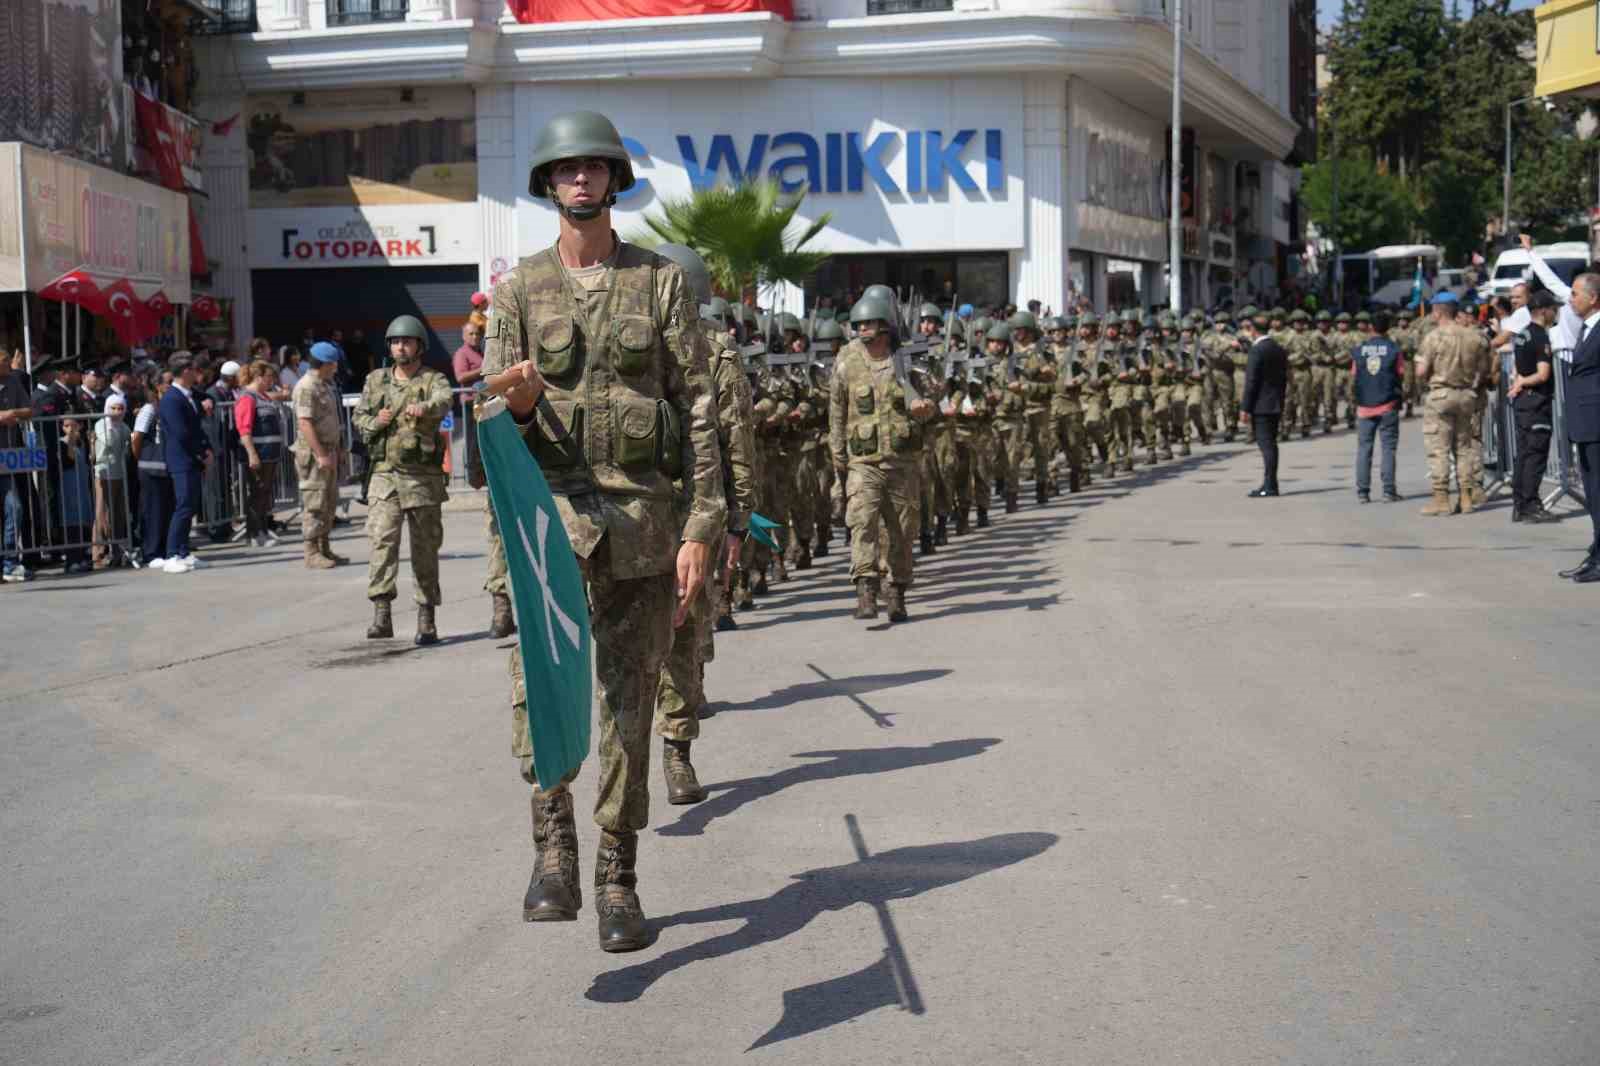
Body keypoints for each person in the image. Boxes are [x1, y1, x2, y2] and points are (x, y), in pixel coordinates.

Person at [481, 109, 725, 952]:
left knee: (627, 712)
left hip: (642, 531)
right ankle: (555, 853)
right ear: (548, 184)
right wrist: (509, 407)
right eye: (565, 169)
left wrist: (703, 523)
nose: (579, 180)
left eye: (594, 168)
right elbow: (485, 439)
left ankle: (618, 877)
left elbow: (700, 410)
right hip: (548, 536)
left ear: (615, 181)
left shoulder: (659, 284)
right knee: (540, 699)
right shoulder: (516, 293)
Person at [650, 242, 758, 807]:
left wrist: (738, 517)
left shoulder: (716, 352)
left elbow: (737, 437)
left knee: (684, 633)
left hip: (695, 512)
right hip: (628, 512)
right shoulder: (629, 346)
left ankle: (676, 748)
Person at [830, 291, 936, 620]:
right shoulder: (846, 359)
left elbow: (936, 396)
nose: (863, 329)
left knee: (902, 531)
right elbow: (836, 410)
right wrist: (838, 458)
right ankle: (865, 589)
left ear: (885, 326)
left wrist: (926, 406)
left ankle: (897, 589)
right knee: (861, 522)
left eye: (869, 324)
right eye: (858, 324)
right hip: (863, 462)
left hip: (902, 460)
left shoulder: (910, 357)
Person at [353, 315, 452, 644]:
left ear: (419, 346)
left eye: (407, 341)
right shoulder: (376, 381)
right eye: (396, 342)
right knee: (382, 541)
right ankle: (382, 613)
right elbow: (359, 417)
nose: (401, 346)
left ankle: (427, 617)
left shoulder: (431, 379)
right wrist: (375, 422)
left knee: (425, 548)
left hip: (421, 477)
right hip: (384, 475)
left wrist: (426, 407)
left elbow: (444, 400)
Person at [455, 310, 513, 637]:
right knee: (497, 541)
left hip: (540, 476)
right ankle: (501, 607)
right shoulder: (488, 384)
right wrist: (476, 471)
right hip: (500, 476)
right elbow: (480, 434)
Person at [1415, 291, 1491, 517]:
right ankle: (1466, 498)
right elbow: (1484, 369)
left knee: (1439, 449)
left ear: (1438, 312)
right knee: (1464, 448)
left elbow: (1420, 371)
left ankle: (1441, 499)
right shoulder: (1474, 337)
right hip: (1467, 396)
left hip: (1440, 396)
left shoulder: (1433, 337)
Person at [157, 352, 213, 574]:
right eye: (193, 369)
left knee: (190, 506)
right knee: (183, 507)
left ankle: (183, 551)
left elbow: (196, 427)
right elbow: (181, 433)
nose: (197, 373)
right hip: (182, 459)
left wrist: (206, 448)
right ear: (185, 372)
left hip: (190, 459)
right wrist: (201, 453)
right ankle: (171, 554)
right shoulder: (172, 398)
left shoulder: (187, 395)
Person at [1560, 273, 1600, 582]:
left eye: (1575, 294)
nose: (1570, 299)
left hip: (1597, 424)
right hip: (1586, 424)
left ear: (1593, 297)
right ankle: (1597, 551)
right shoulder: (1587, 329)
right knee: (1593, 493)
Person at [1506, 291, 1559, 524]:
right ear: (1545, 310)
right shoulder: (1539, 336)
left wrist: (1519, 382)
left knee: (1524, 454)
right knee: (1535, 455)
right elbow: (1543, 374)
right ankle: (1530, 505)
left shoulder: (1521, 335)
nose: (1555, 313)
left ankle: (1520, 505)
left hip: (1523, 403)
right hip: (1535, 401)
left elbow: (1518, 368)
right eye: (1553, 309)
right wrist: (1522, 382)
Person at [292, 342, 345, 570]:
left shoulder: (325, 384)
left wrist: (337, 449)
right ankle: (311, 552)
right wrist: (321, 453)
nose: (335, 368)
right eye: (333, 364)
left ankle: (324, 547)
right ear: (323, 364)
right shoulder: (306, 387)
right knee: (314, 502)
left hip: (329, 450)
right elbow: (305, 423)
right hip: (314, 455)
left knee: (329, 501)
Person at [1350, 311, 1405, 504]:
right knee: (1388, 448)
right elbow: (1400, 373)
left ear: (1370, 327)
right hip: (1388, 403)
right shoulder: (1394, 349)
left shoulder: (1358, 350)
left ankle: (1363, 492)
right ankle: (1389, 492)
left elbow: (1354, 375)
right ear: (1387, 328)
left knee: (1364, 448)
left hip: (1365, 406)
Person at [234, 361, 285, 546]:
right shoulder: (247, 397)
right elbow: (244, 429)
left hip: (270, 453)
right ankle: (254, 535)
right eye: (269, 377)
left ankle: (262, 530)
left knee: (264, 493)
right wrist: (252, 454)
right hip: (259, 453)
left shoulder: (263, 396)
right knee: (257, 493)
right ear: (259, 377)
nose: (272, 381)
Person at [1238, 306, 1287, 498]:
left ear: (1253, 330)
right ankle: (1271, 483)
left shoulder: (1257, 350)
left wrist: (1245, 408)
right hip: (1275, 403)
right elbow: (1284, 378)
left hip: (1261, 405)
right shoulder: (1277, 348)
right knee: (1271, 444)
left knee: (1266, 445)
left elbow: (1251, 382)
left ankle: (1269, 485)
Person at [132, 371, 174, 570]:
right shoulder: (149, 409)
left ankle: (166, 549)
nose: (172, 386)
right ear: (158, 386)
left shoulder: (170, 406)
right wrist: (142, 458)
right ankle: (151, 552)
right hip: (151, 467)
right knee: (153, 510)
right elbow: (137, 437)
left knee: (167, 509)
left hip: (168, 466)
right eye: (168, 383)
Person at [0, 361, 34, 582]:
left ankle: (10, 561)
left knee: (15, 508)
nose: (8, 368)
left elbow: (30, 410)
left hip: (7, 459)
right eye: (4, 364)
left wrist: (12, 412)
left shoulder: (12, 382)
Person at [92, 394, 132, 566]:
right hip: (103, 472)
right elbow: (108, 441)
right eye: (113, 408)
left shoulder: (123, 426)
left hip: (119, 473)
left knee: (118, 514)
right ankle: (98, 551)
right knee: (102, 513)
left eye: (121, 408)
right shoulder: (102, 424)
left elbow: (128, 444)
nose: (117, 412)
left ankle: (117, 551)